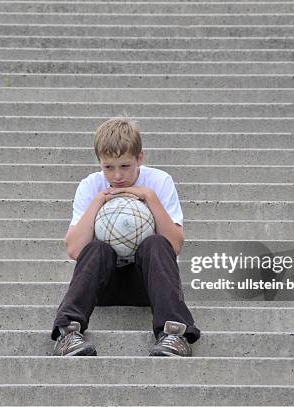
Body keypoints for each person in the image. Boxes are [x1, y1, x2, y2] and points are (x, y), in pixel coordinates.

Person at [50, 116, 201, 357]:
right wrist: (99, 200)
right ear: (99, 162)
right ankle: (68, 332)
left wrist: (150, 198)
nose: (117, 176)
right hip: (103, 284)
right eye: (108, 167)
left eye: (125, 166)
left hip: (148, 285)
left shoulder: (159, 181)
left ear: (140, 158)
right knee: (96, 248)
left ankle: (174, 334)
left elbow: (174, 245)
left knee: (156, 243)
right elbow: (74, 249)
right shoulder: (91, 186)